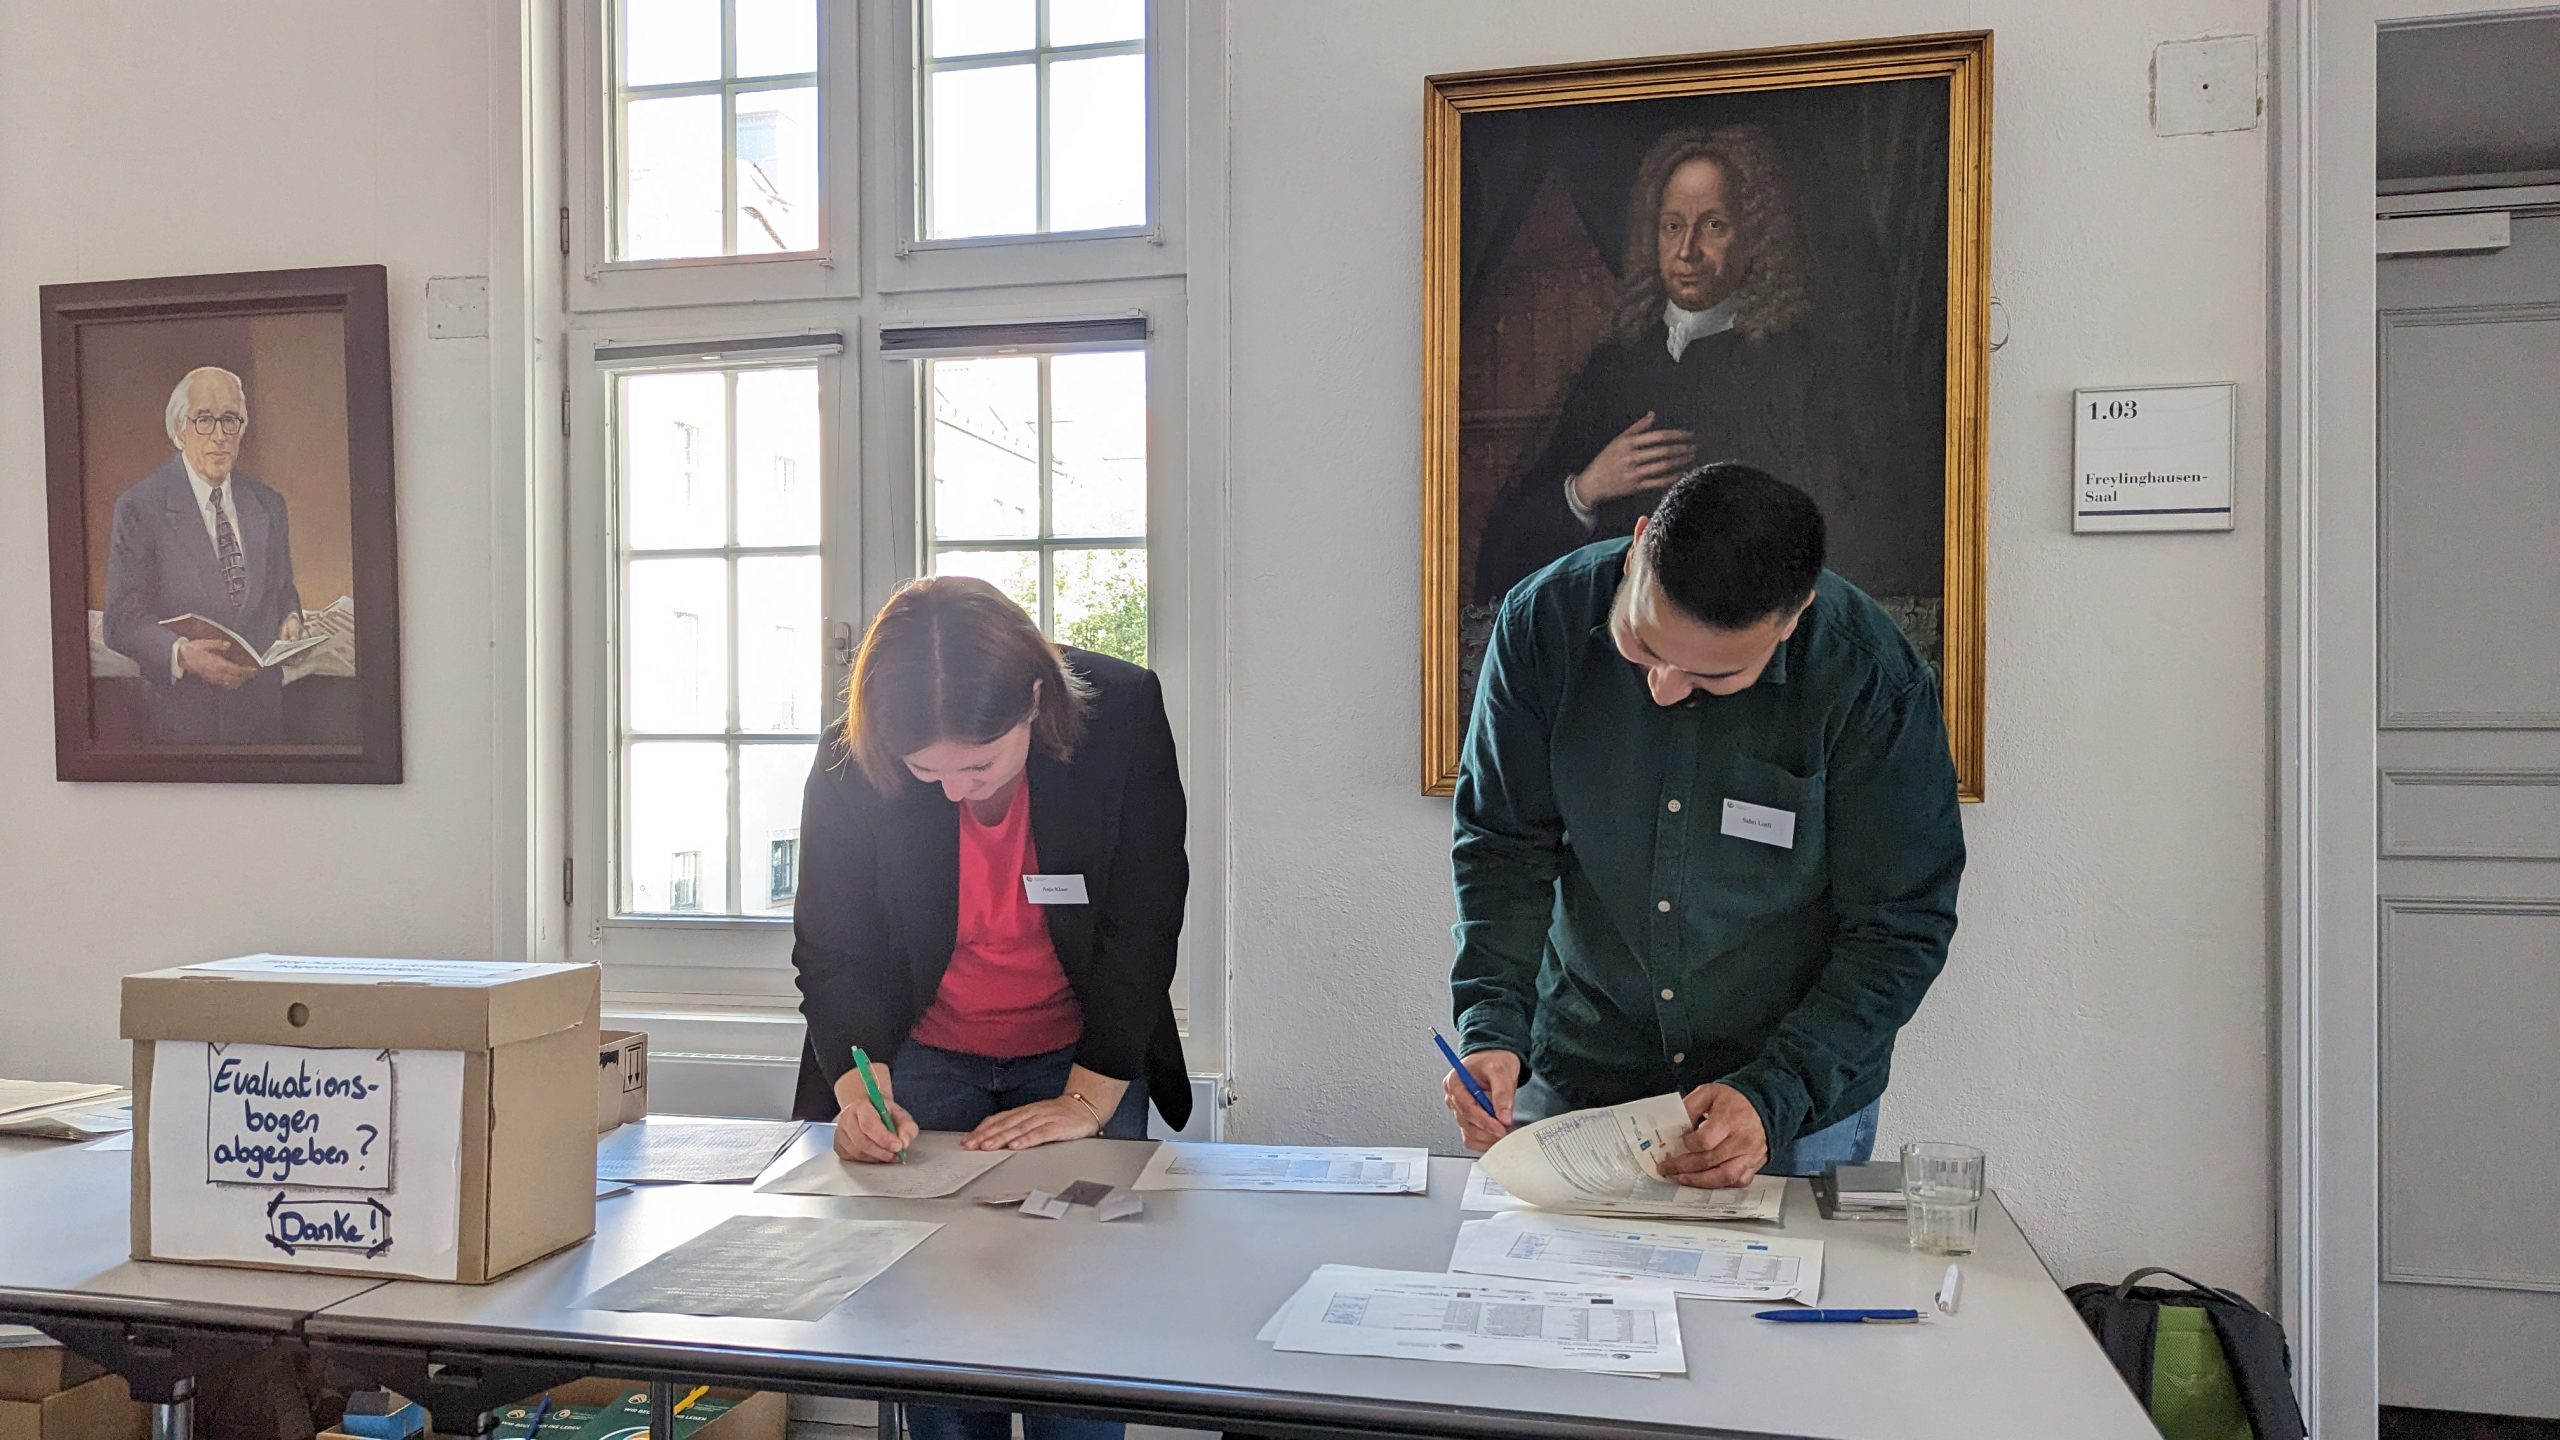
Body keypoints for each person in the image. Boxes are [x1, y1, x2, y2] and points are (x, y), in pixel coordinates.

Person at [1443, 463, 1964, 1186]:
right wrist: (1492, 1027)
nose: (1663, 687)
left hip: (1786, 1098)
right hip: (1582, 1070)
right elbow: (1503, 851)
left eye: (1714, 678)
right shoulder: (1543, 623)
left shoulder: (1869, 678)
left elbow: (1900, 925)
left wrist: (1775, 1092)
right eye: (1642, 644)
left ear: (1793, 618)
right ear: (1638, 547)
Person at [790, 575, 1189, 1440]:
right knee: (938, 1339)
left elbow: (1143, 919)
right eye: (926, 770)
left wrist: (1089, 1097)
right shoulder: (854, 754)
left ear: (1034, 701)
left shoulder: (1120, 713)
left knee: (1076, 1344)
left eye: (979, 763)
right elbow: (835, 946)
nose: (954, 791)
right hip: (923, 1054)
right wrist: (861, 1094)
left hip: (1083, 1052)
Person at [1470, 123, 1903, 607]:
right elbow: (1504, 556)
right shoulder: (1613, 368)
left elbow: (1850, 540)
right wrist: (1587, 488)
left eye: (1713, 225)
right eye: (1672, 226)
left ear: (1755, 235)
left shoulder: (1799, 367)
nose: (1687, 250)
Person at [103, 366, 306, 743]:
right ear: (179, 430)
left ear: (242, 428)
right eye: (204, 419)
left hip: (262, 719)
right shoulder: (140, 507)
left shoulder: (269, 504)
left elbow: (282, 590)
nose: (219, 435)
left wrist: (291, 619)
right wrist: (182, 654)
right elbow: (121, 620)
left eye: (230, 419)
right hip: (181, 721)